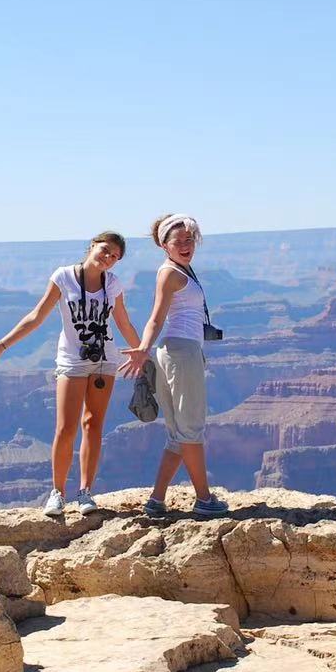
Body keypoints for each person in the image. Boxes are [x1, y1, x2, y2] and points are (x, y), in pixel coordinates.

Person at [0, 232, 142, 516]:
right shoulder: (64, 277)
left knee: (93, 425)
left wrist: (141, 350)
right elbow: (37, 316)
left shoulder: (113, 284)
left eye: (115, 257)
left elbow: (123, 322)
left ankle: (86, 492)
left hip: (105, 360)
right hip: (72, 360)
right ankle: (57, 493)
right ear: (93, 246)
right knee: (66, 427)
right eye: (105, 250)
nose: (108, 258)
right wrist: (2, 345)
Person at [119, 213, 229, 518]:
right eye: (177, 241)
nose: (185, 244)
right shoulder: (170, 273)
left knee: (178, 433)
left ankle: (156, 500)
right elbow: (156, 317)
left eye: (189, 239)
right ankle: (204, 500)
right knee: (192, 427)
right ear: (164, 245)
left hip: (177, 351)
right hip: (182, 354)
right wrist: (142, 348)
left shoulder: (182, 269)